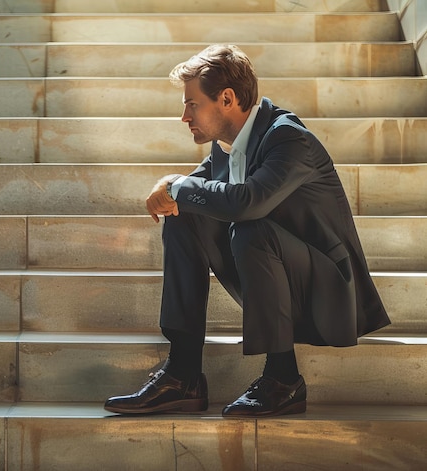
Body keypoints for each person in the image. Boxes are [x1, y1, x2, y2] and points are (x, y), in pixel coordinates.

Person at [104, 44, 391, 417]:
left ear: (226, 98)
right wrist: (172, 187)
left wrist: (174, 184)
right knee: (184, 214)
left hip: (326, 290)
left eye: (192, 104)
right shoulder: (226, 150)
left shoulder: (288, 139)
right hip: (275, 276)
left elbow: (247, 202)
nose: (184, 116)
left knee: (250, 227)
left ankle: (284, 377)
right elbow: (192, 193)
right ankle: (183, 373)